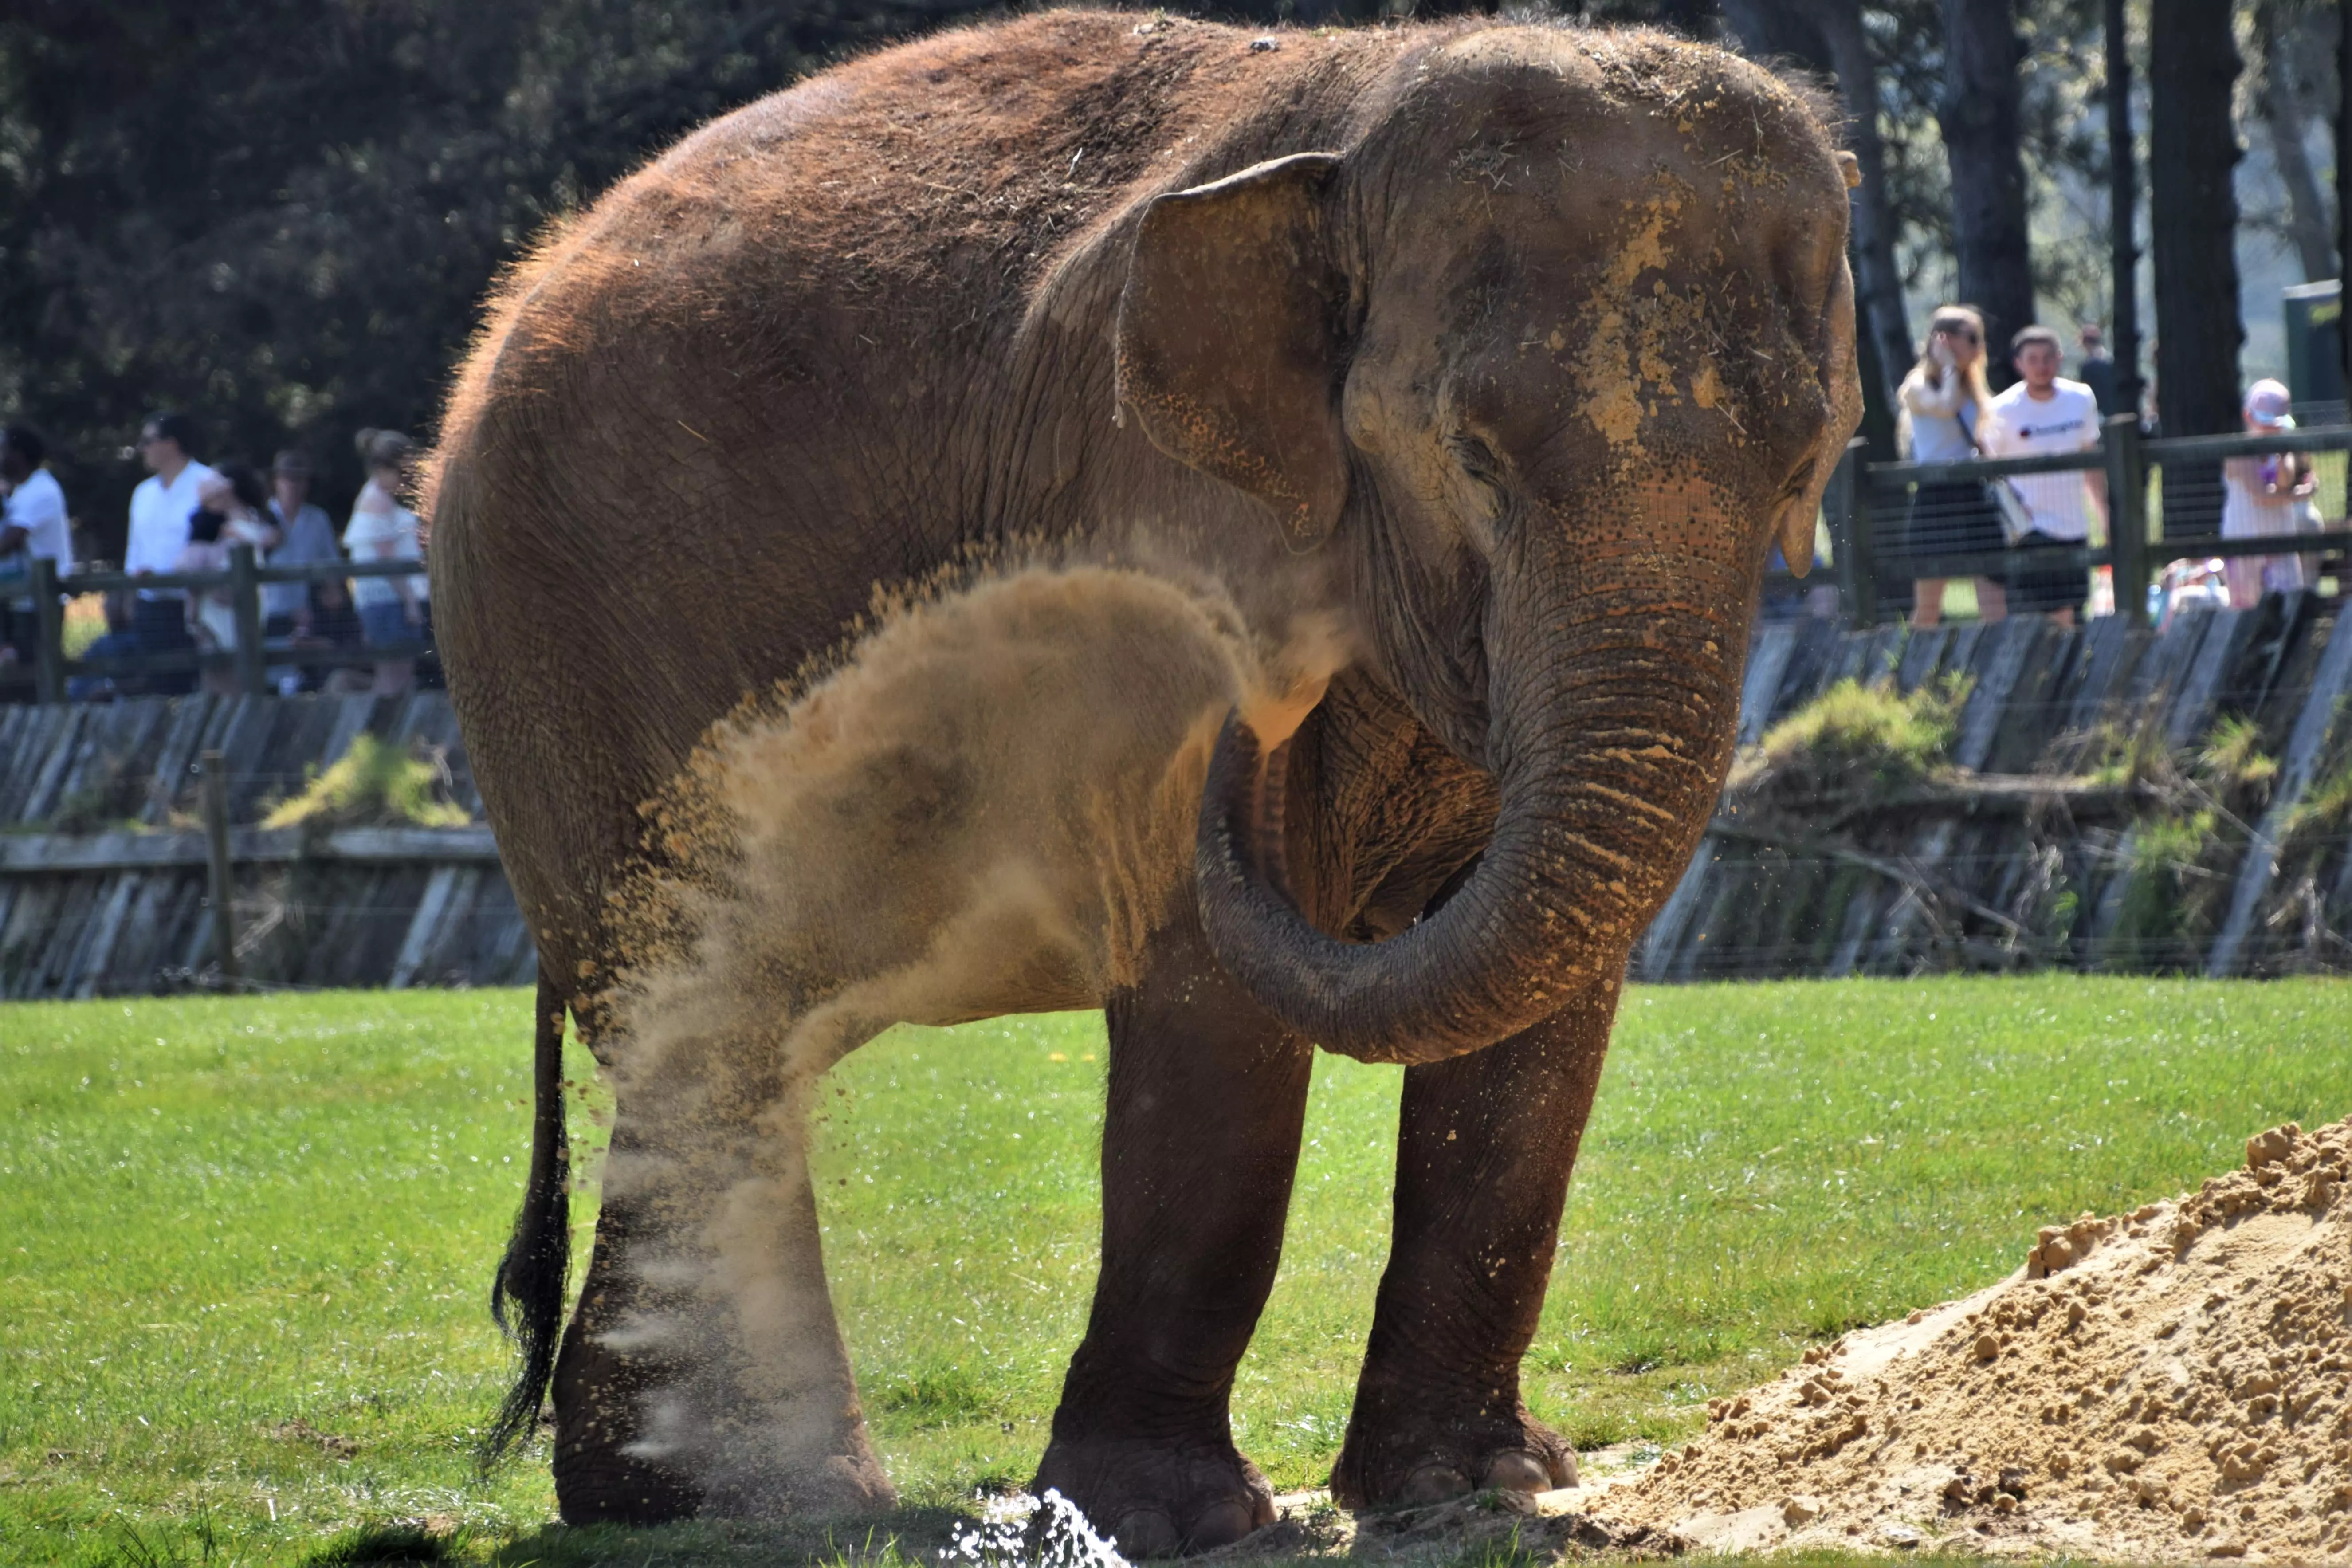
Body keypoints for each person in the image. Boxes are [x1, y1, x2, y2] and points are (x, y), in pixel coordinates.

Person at [1979, 325, 2108, 627]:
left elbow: (2091, 461)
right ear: (2018, 363)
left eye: (2048, 358)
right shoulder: (2001, 409)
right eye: (2033, 359)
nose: (2041, 366)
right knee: (2045, 617)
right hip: (2029, 528)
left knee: (2073, 615)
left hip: (2074, 527)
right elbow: (1989, 471)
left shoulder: (2080, 398)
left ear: (2060, 358)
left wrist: (2104, 516)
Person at [1898, 305, 2006, 626]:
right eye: (1971, 338)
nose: (1978, 347)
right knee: (1928, 607)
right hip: (1936, 497)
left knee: (1994, 603)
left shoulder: (1972, 388)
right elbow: (1945, 407)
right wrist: (1946, 367)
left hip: (1974, 494)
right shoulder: (1918, 385)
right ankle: (1913, 673)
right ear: (1943, 340)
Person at [124, 412, 218, 694]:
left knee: (200, 684)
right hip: (151, 607)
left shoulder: (208, 483)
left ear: (171, 444)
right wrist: (132, 598)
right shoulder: (143, 493)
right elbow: (135, 551)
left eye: (148, 441)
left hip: (197, 606)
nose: (143, 449)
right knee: (158, 686)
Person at [2219, 379, 2320, 609]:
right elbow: (2262, 497)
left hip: (2280, 541)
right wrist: (2301, 495)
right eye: (2266, 423)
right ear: (2248, 417)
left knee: (2289, 607)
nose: (2271, 430)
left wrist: (2284, 452)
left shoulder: (2284, 451)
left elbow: (2284, 483)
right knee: (2248, 614)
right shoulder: (2239, 453)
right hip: (2244, 545)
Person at [178, 464, 278, 693]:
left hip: (236, 613)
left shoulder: (248, 524)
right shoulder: (210, 525)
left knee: (235, 683)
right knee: (216, 681)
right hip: (214, 618)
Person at [344, 428, 428, 696]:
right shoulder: (377, 502)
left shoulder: (379, 499)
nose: (405, 480)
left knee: (402, 673)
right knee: (394, 677)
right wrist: (410, 602)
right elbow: (387, 560)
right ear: (383, 467)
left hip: (388, 601)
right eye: (402, 473)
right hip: (389, 601)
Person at [263, 450, 344, 692]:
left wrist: (332, 592)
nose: (294, 486)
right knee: (272, 678)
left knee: (308, 677)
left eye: (299, 480)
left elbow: (331, 564)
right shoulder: (261, 517)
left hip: (305, 610)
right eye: (288, 479)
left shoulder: (317, 518)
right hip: (267, 611)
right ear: (276, 481)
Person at [0, 426, 73, 668]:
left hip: (41, 603)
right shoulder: (22, 491)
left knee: (37, 677)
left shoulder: (41, 491)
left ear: (18, 455)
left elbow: (7, 543)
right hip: (23, 601)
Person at [2076, 323, 2118, 417]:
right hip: (2115, 415)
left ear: (2085, 343)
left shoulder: (2087, 367)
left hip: (2097, 416)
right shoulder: (2112, 362)